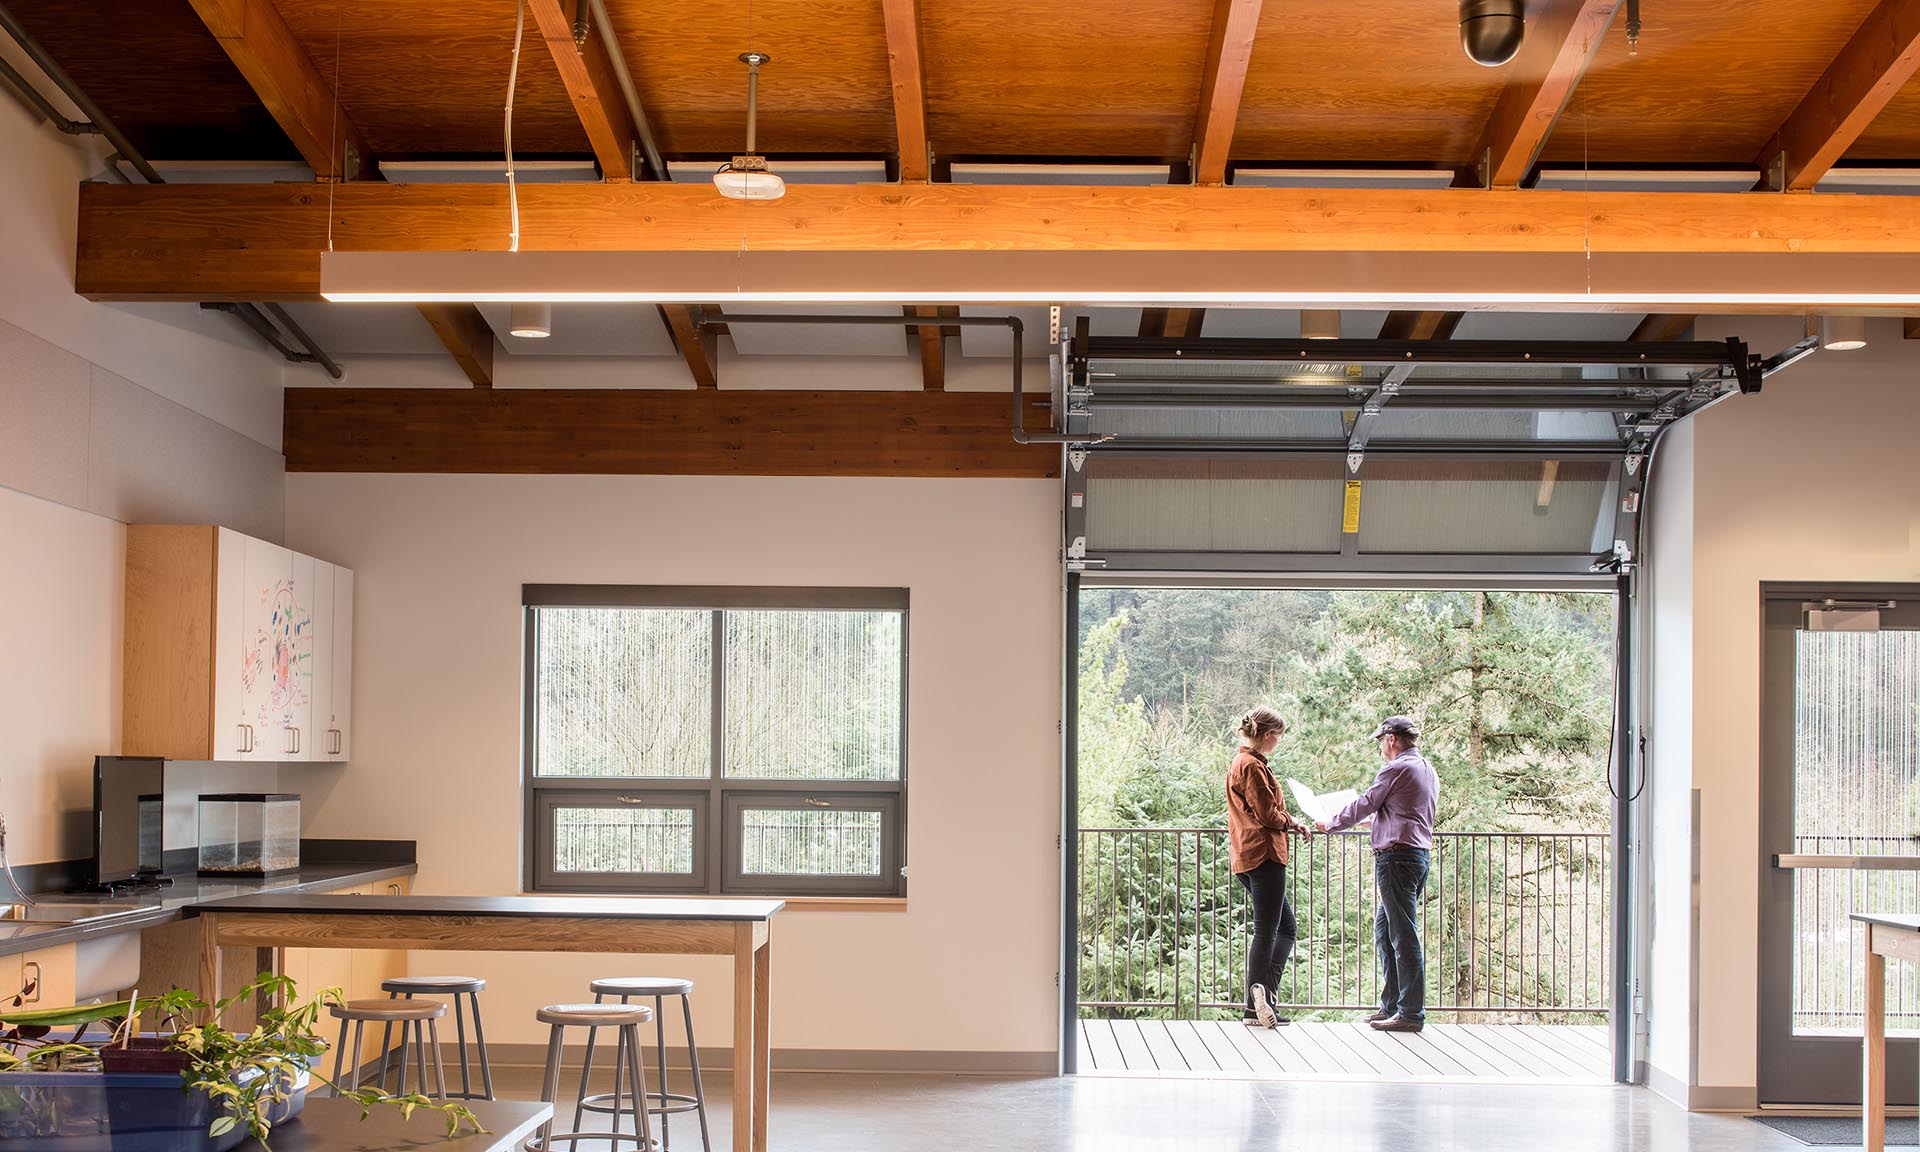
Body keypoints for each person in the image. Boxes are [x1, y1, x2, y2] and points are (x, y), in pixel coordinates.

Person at [1316, 715, 1437, 1034]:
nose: (1381, 747)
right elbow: (1407, 813)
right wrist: (1376, 824)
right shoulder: (1426, 768)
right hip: (1416, 855)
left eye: (1381, 741)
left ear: (1392, 739)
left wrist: (1331, 823)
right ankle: (1392, 1006)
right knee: (1386, 931)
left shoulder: (1396, 768)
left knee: (1403, 935)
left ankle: (1411, 1011)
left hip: (1396, 858)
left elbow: (1367, 802)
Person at [1225, 706, 1312, 1029]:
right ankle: (1255, 1002)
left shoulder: (1242, 762)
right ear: (1266, 734)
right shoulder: (1252, 766)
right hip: (1264, 854)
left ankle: (1263, 998)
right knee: (1267, 930)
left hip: (1246, 854)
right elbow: (1268, 814)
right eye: (1278, 735)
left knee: (1285, 926)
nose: (1279, 741)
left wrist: (1288, 821)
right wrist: (1294, 822)